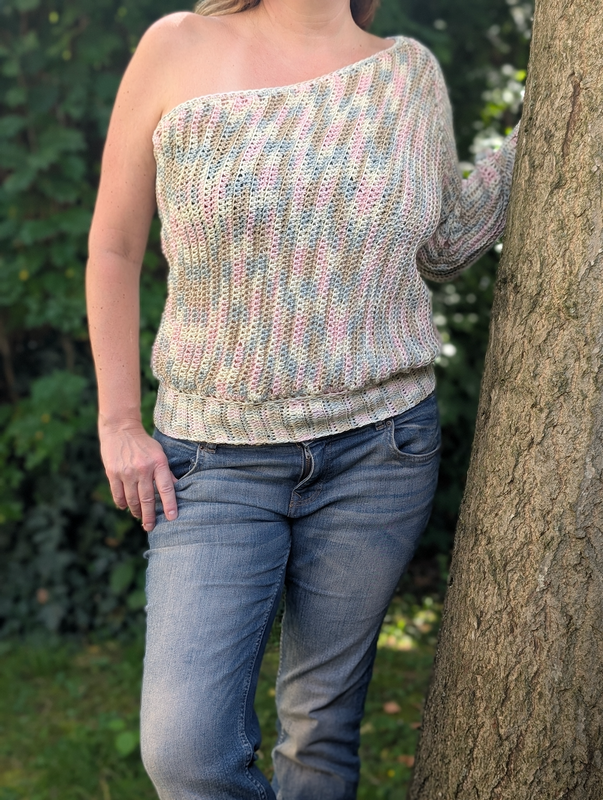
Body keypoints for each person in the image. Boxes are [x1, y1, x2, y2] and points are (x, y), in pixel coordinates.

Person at [85, 0, 520, 797]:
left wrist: (546, 128)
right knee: (185, 752)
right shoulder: (176, 46)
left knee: (320, 732)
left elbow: (442, 245)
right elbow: (113, 246)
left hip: (378, 453)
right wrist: (117, 421)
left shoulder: (406, 73)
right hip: (211, 462)